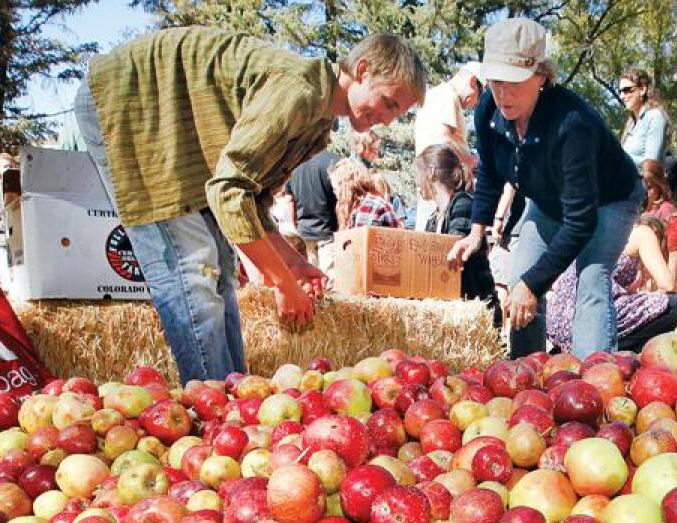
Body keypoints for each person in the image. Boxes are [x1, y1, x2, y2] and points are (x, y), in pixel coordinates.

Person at [74, 27, 426, 383]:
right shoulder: (298, 91)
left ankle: (230, 396)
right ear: (362, 71)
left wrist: (292, 263)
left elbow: (251, 199)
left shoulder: (317, 121)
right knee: (193, 269)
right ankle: (215, 406)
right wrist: (282, 283)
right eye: (389, 103)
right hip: (132, 101)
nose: (387, 119)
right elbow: (228, 190)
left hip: (179, 130)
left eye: (398, 113)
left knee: (221, 270)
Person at [448, 18, 644, 359]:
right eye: (496, 81)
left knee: (592, 278)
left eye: (515, 82)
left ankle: (593, 380)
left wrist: (534, 285)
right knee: (521, 276)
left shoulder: (572, 124)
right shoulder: (487, 110)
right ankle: (524, 375)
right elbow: (492, 171)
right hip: (548, 201)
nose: (504, 93)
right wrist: (476, 231)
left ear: (541, 76)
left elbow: (581, 222)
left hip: (610, 200)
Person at [548, 215, 677, 354]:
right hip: (589, 319)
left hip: (560, 323)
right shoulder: (644, 233)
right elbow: (669, 286)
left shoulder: (604, 232)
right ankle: (621, 353)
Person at [417, 143, 499, 321]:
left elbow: (451, 251)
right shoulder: (433, 218)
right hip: (449, 311)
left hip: (475, 309)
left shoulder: (462, 202)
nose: (417, 181)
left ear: (430, 172)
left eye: (419, 174)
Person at [414, 63, 482, 230]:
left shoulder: (436, 95)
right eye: (478, 96)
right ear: (473, 81)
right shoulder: (447, 95)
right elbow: (444, 138)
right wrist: (472, 161)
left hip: (433, 181)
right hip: (441, 185)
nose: (475, 103)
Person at [618, 67, 677, 197]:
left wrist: (617, 157)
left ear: (642, 89)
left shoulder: (654, 117)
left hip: (640, 198)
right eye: (620, 91)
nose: (622, 96)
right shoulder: (631, 125)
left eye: (627, 90)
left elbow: (652, 167)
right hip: (623, 192)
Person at [286, 149, 342, 277]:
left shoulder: (294, 165)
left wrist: (294, 224)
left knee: (312, 280)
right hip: (329, 232)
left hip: (305, 232)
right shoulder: (333, 161)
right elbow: (343, 195)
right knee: (329, 280)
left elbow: (290, 200)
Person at [330, 159, 402, 229]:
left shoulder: (369, 206)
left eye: (336, 188)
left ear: (346, 187)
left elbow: (360, 240)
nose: (335, 193)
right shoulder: (355, 207)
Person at [641, 159, 676, 223]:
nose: (645, 192)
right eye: (641, 187)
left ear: (660, 187)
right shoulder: (637, 208)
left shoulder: (665, 209)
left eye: (649, 187)